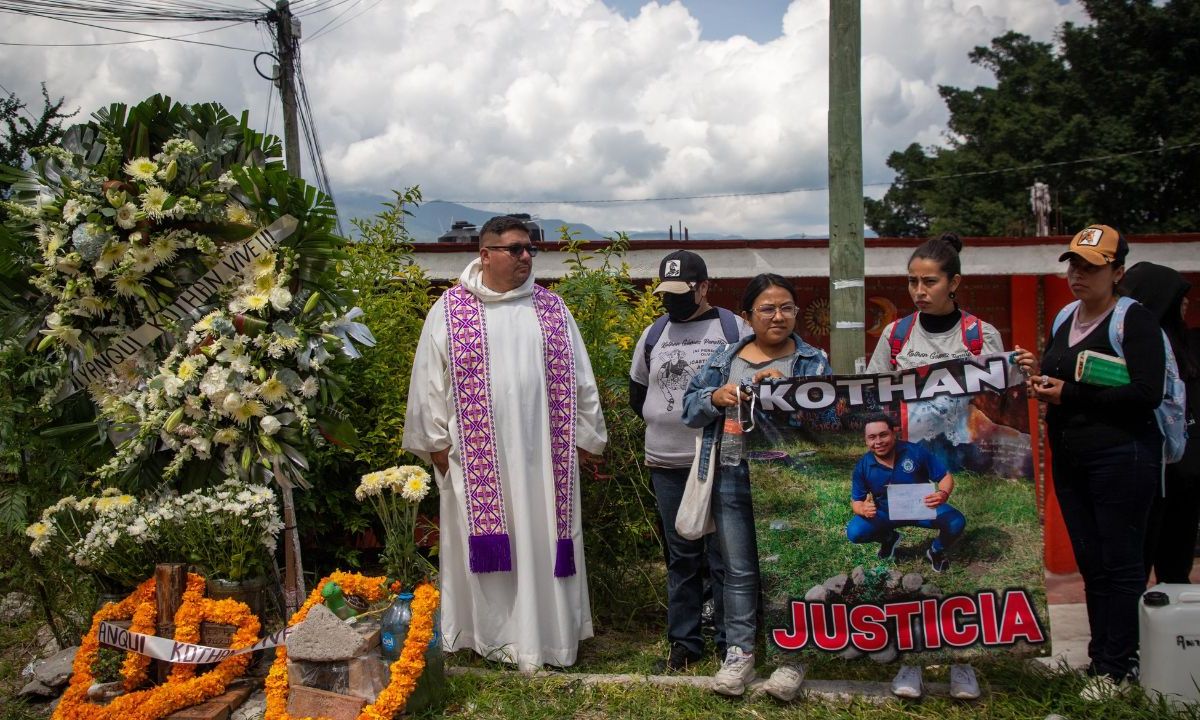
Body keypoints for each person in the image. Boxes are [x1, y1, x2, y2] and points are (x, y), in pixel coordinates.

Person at [402, 215, 608, 672]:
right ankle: (487, 638)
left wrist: (585, 437)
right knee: (488, 546)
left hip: (544, 457)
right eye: (515, 249)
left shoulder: (552, 309)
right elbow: (427, 383)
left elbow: (581, 379)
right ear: (486, 254)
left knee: (545, 539)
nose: (525, 257)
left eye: (530, 249)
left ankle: (549, 641)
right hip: (478, 463)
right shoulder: (452, 310)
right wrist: (437, 444)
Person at [1014, 224, 1165, 701]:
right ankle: (1102, 659)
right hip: (1073, 458)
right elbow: (1062, 378)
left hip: (1122, 456)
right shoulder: (1064, 317)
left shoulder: (1133, 320)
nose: (1078, 275)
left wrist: (1071, 394)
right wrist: (1038, 376)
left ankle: (1120, 668)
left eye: (1092, 268)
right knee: (1092, 564)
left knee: (1121, 564)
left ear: (1117, 272)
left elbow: (1147, 393)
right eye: (1074, 265)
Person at [865, 232, 1000, 700]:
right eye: (912, 282)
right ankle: (911, 664)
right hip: (911, 463)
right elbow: (872, 393)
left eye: (929, 281)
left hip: (963, 459)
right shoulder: (896, 334)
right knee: (910, 564)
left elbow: (1002, 399)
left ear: (954, 282)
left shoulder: (980, 335)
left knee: (959, 559)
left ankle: (964, 664)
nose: (919, 291)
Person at [682, 273, 831, 697]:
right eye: (767, 309)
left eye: (787, 308)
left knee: (791, 570)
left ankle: (793, 657)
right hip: (732, 474)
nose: (778, 316)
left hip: (792, 484)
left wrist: (786, 396)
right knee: (739, 571)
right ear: (747, 316)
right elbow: (690, 410)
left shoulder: (812, 362)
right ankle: (740, 654)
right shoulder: (723, 359)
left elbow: (829, 423)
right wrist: (718, 397)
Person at [630, 250, 748, 672]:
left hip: (720, 460)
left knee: (723, 554)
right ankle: (683, 643)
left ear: (704, 287)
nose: (671, 301)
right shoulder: (655, 332)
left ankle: (728, 643)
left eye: (682, 292)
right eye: (666, 293)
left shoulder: (733, 329)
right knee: (681, 554)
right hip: (666, 462)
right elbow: (637, 395)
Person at [1120, 262, 1200, 584]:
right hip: (1144, 472)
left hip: (1186, 477)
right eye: (1179, 296)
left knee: (1177, 568)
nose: (1186, 303)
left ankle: (1173, 635)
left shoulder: (1191, 345)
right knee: (1134, 569)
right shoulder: (1129, 345)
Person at [846, 413, 965, 571]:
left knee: (956, 521)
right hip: (885, 513)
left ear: (894, 433)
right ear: (866, 440)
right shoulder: (862, 466)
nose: (878, 442)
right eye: (872, 437)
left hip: (922, 508)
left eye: (883, 435)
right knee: (855, 531)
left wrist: (943, 493)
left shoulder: (915, 452)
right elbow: (856, 501)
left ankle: (936, 550)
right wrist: (863, 509)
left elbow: (945, 476)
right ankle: (889, 538)